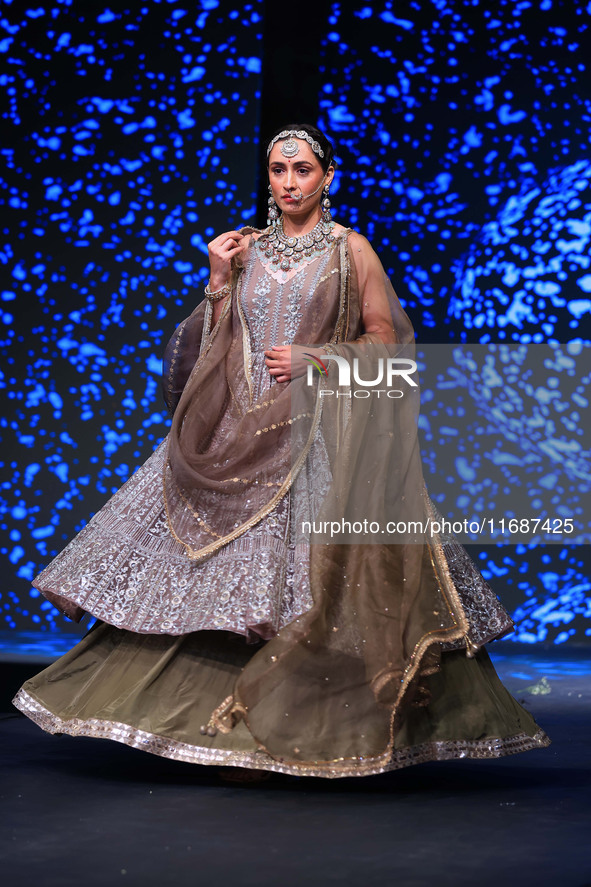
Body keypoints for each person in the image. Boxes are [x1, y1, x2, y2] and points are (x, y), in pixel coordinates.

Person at [13, 123, 550, 780]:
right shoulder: (245, 250)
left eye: (301, 170)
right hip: (231, 435)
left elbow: (392, 351)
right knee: (213, 592)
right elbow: (203, 355)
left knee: (311, 591)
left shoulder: (351, 251)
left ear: (327, 175)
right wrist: (216, 281)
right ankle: (216, 735)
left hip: (315, 439)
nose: (289, 183)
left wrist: (317, 359)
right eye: (277, 170)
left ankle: (303, 731)